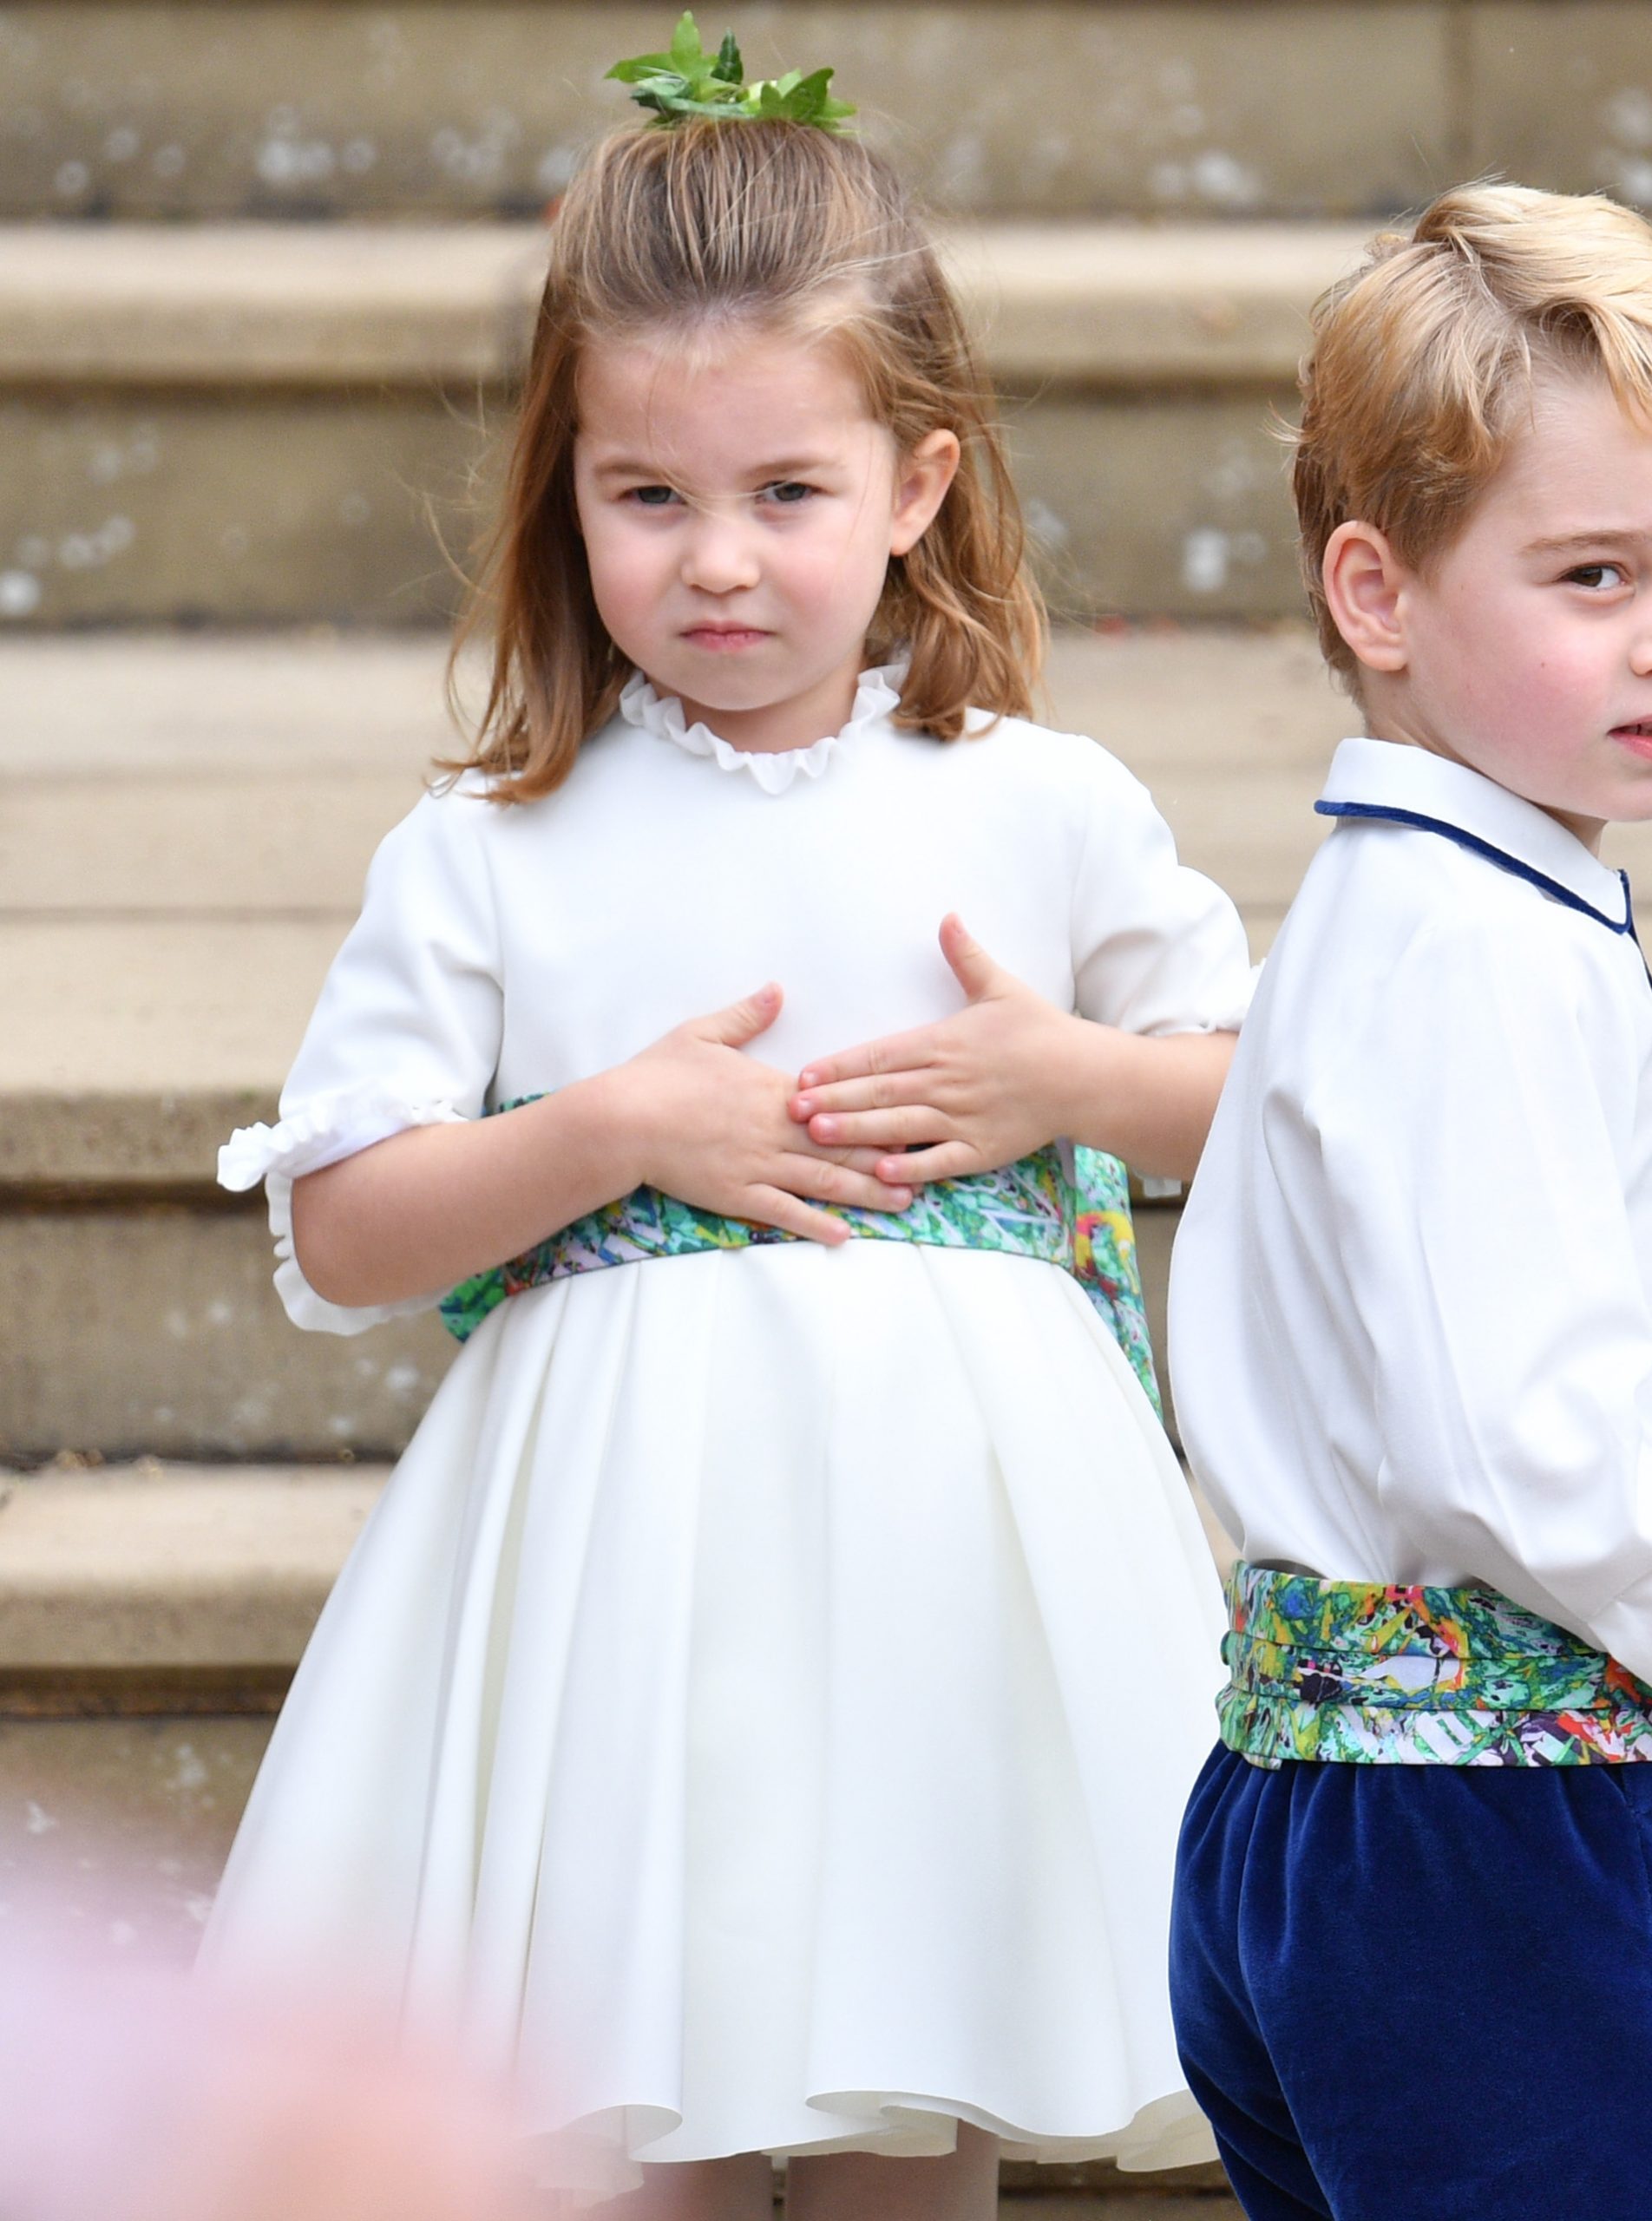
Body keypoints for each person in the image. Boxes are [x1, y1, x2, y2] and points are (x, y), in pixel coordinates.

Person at [205, 23, 1251, 2214]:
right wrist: (603, 1125)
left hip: (949, 1584)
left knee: (909, 2117)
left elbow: (1278, 1110)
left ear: (918, 485)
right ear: (560, 485)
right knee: (625, 2117)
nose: (715, 563)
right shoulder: (499, 841)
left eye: (787, 494)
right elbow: (347, 1228)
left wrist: (1063, 1081)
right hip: (621, 1600)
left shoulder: (1033, 802)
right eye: (645, 497)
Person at [1164, 184, 1652, 2221]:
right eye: (1591, 573)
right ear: (1376, 595)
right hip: (1505, 1851)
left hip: (1295, 1822)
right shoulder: (1482, 950)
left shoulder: (1376, 909)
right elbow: (1530, 1429)